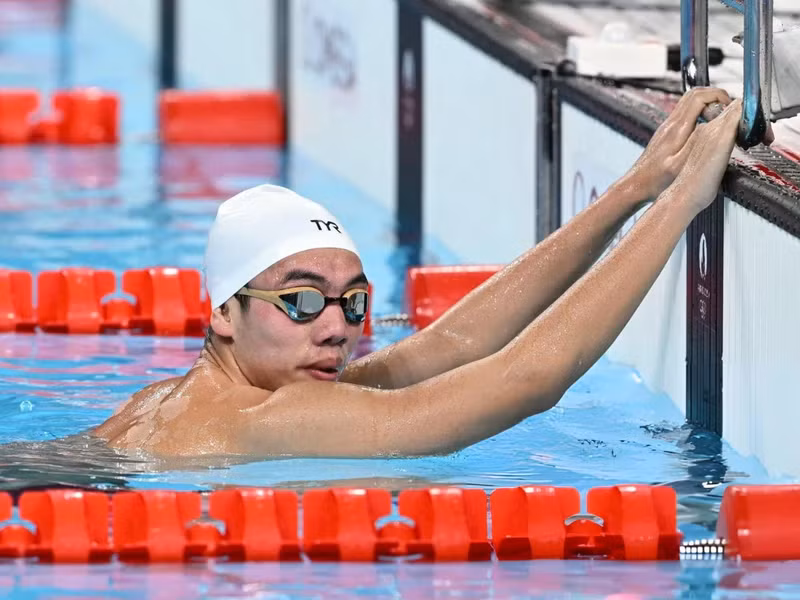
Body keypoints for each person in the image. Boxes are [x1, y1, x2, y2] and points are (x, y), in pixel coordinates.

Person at [94, 88, 742, 458]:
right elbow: (529, 381)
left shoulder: (175, 401)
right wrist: (682, 200)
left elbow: (447, 349)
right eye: (300, 301)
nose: (335, 330)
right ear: (221, 313)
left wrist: (635, 188)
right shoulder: (269, 418)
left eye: (352, 304)